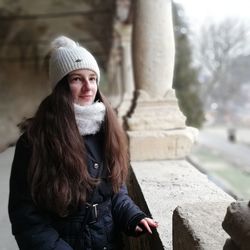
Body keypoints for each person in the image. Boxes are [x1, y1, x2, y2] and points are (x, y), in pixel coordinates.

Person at [8, 36, 158, 250]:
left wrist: (132, 216)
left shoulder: (107, 129)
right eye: (76, 79)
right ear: (60, 86)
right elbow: (26, 217)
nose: (88, 87)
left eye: (93, 78)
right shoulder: (34, 141)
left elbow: (114, 192)